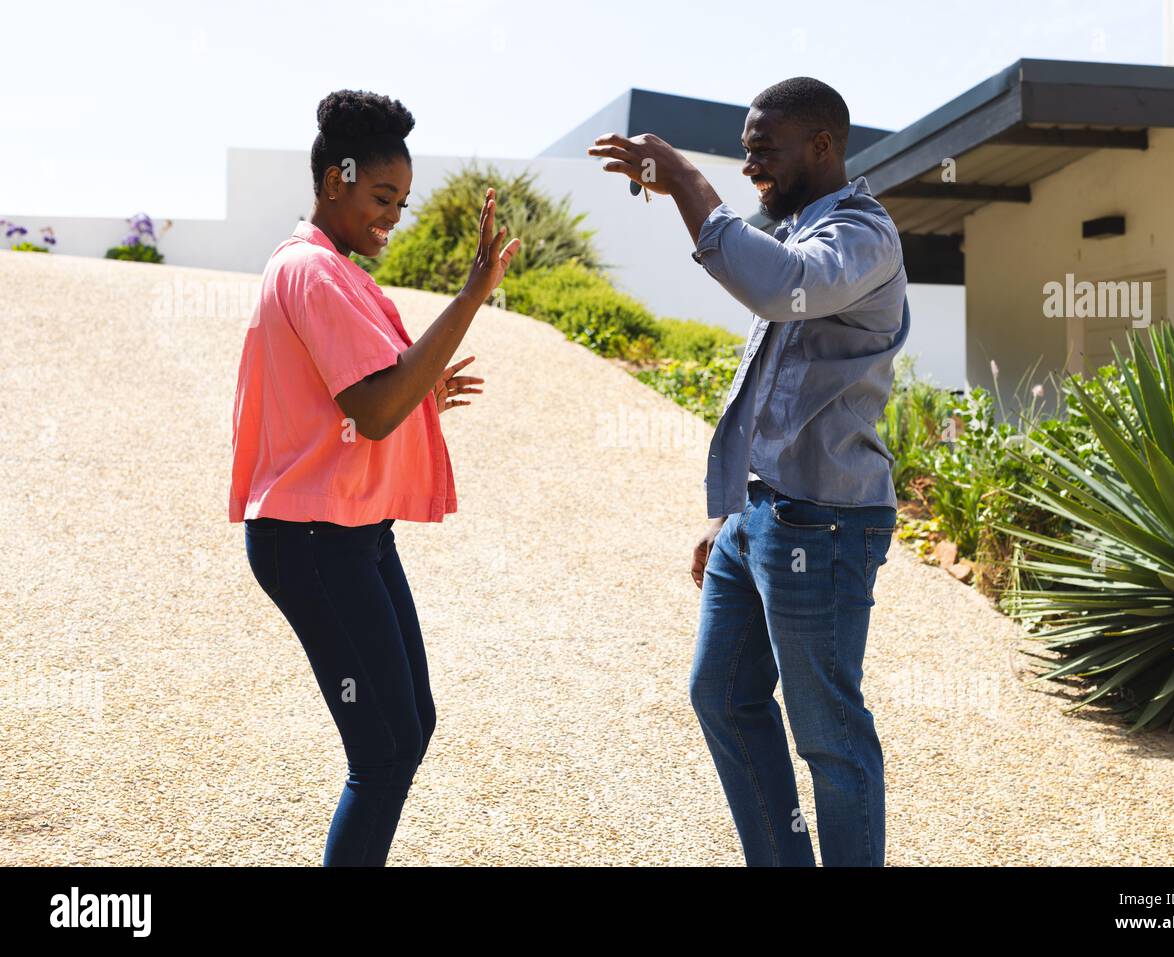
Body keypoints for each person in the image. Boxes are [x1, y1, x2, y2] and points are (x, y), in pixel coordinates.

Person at [589, 76, 909, 866]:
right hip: (759, 514)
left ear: (823, 146)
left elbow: (774, 288)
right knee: (723, 695)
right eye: (742, 155)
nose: (749, 169)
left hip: (824, 520)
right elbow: (767, 375)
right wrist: (726, 509)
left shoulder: (862, 235)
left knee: (830, 735)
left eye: (764, 151)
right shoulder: (800, 227)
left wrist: (687, 183)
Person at [228, 89, 519, 866]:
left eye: (402, 201)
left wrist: (420, 388)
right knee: (384, 752)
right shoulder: (314, 273)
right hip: (312, 538)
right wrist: (470, 295)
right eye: (381, 197)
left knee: (410, 724)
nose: (392, 215)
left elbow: (366, 397)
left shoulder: (333, 272)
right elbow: (378, 407)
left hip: (350, 533)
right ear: (335, 181)